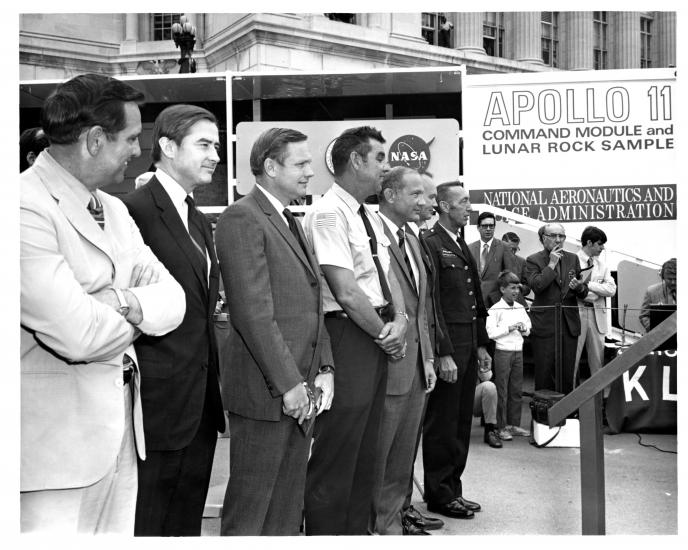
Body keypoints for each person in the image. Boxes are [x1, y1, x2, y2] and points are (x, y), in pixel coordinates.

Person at [20, 73, 185, 533]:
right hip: (50, 461)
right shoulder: (21, 206)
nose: (138, 151)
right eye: (131, 138)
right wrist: (138, 307)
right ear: (95, 140)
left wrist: (112, 300)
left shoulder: (112, 209)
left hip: (118, 443)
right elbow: (79, 335)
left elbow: (174, 301)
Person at [215, 128, 334, 535]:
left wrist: (324, 370)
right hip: (268, 394)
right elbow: (253, 313)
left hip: (300, 390)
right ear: (270, 166)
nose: (309, 173)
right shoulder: (242, 217)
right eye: (300, 164)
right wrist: (289, 385)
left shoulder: (288, 218)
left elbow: (311, 302)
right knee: (250, 515)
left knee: (284, 512)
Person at [120, 105, 226, 536]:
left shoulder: (197, 219)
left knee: (185, 523)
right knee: (149, 522)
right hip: (157, 406)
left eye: (216, 146)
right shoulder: (134, 211)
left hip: (199, 402)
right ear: (166, 146)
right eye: (204, 144)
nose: (215, 155)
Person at [303, 126, 408, 535]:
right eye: (379, 158)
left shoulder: (366, 214)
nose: (386, 166)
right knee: (338, 451)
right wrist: (388, 334)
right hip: (349, 336)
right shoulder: (329, 212)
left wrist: (399, 319)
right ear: (356, 161)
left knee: (366, 449)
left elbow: (387, 276)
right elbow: (345, 290)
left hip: (374, 332)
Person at [371, 166, 437, 535]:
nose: (424, 202)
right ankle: (371, 526)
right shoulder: (370, 235)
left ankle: (392, 523)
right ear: (391, 195)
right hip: (386, 363)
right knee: (379, 453)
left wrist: (426, 356)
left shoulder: (411, 240)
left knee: (402, 456)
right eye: (416, 194)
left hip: (415, 366)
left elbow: (420, 308)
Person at [421, 181, 491, 520]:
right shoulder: (431, 243)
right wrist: (443, 352)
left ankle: (453, 488)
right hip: (449, 345)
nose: (468, 207)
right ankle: (439, 493)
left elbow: (474, 300)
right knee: (443, 422)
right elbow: (433, 303)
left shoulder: (460, 243)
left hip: (467, 343)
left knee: (461, 420)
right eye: (462, 202)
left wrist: (480, 344)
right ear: (444, 206)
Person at [525, 223, 588, 394]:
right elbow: (537, 286)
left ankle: (567, 414)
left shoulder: (573, 258)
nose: (558, 240)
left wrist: (579, 288)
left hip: (568, 324)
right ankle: (543, 415)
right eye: (554, 236)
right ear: (543, 237)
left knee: (567, 373)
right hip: (545, 324)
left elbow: (583, 291)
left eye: (562, 236)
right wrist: (551, 264)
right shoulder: (533, 260)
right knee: (544, 372)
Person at [485, 271, 532, 441]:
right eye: (512, 288)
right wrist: (509, 328)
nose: (516, 292)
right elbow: (490, 333)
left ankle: (513, 424)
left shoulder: (520, 307)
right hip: (503, 352)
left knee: (516, 390)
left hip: (518, 351)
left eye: (517, 288)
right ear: (502, 289)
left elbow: (528, 328)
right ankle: (500, 426)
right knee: (502, 390)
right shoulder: (496, 309)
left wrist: (522, 328)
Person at [573, 226, 617, 382]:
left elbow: (611, 290)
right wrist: (596, 292)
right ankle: (569, 404)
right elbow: (574, 290)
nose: (602, 248)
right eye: (600, 244)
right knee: (573, 362)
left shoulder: (602, 265)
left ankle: (597, 404)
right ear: (589, 243)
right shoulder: (572, 260)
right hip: (576, 315)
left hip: (597, 317)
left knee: (598, 363)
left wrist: (588, 284)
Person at [468, 211, 517, 306]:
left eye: (491, 226)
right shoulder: (470, 248)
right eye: (485, 226)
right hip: (475, 301)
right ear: (478, 227)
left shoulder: (504, 247)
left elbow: (510, 276)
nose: (488, 229)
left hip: (495, 302)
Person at [639, 258, 677, 333]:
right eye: (669, 279)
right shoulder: (651, 291)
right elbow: (643, 316)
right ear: (662, 277)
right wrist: (656, 331)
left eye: (676, 279)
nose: (673, 282)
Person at [473, 363, 502, 449]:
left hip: (471, 396)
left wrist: (481, 363)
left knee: (489, 386)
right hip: (452, 399)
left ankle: (490, 431)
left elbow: (486, 377)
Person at [500, 231, 531, 306]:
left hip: (516, 303)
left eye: (515, 249)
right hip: (497, 303)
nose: (513, 253)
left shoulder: (522, 261)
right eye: (511, 249)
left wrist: (520, 288)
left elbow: (528, 287)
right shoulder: (494, 261)